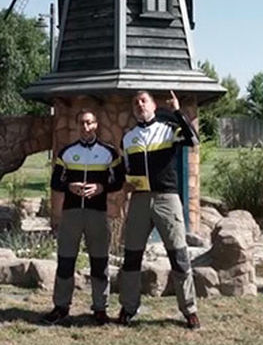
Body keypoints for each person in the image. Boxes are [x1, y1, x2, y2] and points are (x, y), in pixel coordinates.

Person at [117, 90, 200, 329]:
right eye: (135, 102)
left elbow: (192, 140)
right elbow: (127, 169)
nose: (139, 104)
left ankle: (190, 310)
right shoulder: (128, 137)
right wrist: (126, 181)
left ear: (154, 106)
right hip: (140, 199)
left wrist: (177, 112)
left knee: (179, 256)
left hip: (167, 198)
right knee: (132, 257)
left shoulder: (168, 129)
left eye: (144, 100)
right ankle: (129, 307)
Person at [42, 110, 123, 326]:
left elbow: (119, 181)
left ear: (96, 125)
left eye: (89, 123)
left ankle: (100, 308)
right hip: (71, 213)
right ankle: (61, 307)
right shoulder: (67, 152)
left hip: (97, 213)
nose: (85, 127)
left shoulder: (109, 153)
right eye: (81, 123)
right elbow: (55, 183)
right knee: (66, 260)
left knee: (99, 262)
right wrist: (70, 186)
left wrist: (100, 187)